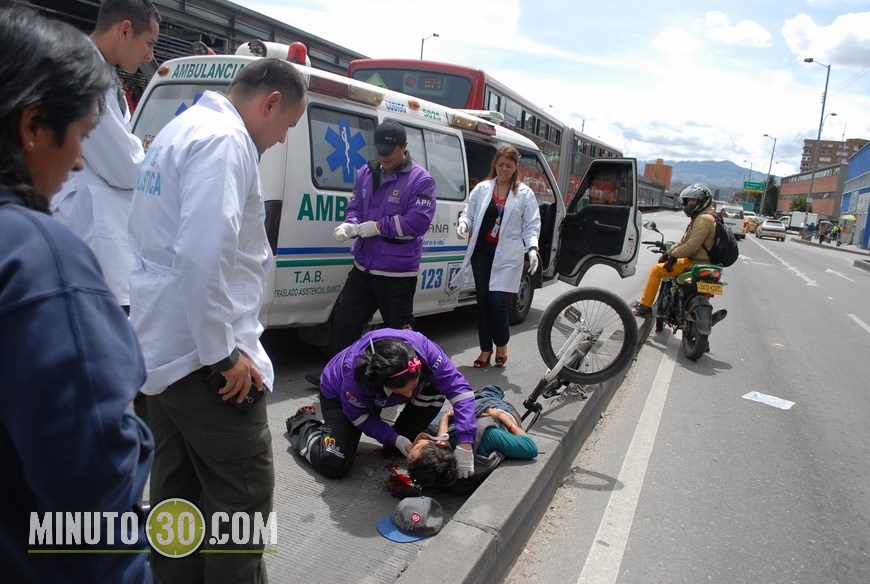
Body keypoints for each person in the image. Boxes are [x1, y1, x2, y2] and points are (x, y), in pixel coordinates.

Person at [128, 58, 307, 583]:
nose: (280, 140)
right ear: (270, 102)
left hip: (161, 349)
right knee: (241, 503)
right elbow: (202, 257)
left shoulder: (181, 128)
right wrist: (223, 356)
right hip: (203, 359)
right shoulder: (225, 142)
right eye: (287, 128)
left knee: (177, 496)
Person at [0, 7, 153, 582]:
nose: (82, 159)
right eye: (82, 135)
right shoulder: (43, 263)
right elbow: (93, 496)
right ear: (33, 126)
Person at [51, 0, 160, 311]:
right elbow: (124, 167)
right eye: (149, 43)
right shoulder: (83, 71)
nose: (150, 55)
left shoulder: (102, 74)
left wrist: (135, 149)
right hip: (87, 231)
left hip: (95, 233)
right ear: (125, 30)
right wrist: (146, 151)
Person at [310, 120, 436, 381]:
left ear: (404, 147)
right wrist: (351, 224)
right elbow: (356, 205)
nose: (383, 156)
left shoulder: (421, 180)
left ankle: (400, 383)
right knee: (344, 323)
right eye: (379, 150)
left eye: (389, 151)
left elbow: (419, 222)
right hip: (364, 266)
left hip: (396, 273)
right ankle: (336, 377)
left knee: (398, 335)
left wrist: (379, 227)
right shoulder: (366, 172)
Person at [288, 329, 478, 480]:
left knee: (435, 389)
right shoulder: (356, 376)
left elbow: (461, 392)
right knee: (334, 462)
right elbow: (359, 416)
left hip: (380, 394)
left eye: (413, 387)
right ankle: (303, 422)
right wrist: (395, 438)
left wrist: (466, 443)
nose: (410, 395)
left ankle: (401, 432)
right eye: (402, 392)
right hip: (338, 396)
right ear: (379, 382)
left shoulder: (426, 350)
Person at [451, 145, 541, 367]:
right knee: (482, 302)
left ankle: (501, 344)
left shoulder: (524, 194)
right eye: (500, 164)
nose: (504, 169)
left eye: (508, 166)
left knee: (498, 301)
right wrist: (464, 223)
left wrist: (532, 248)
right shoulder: (482, 189)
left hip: (507, 255)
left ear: (515, 167)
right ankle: (485, 350)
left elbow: (532, 225)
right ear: (495, 164)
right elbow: (469, 213)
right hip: (482, 252)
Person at [407, 385, 538, 491]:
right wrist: (500, 416)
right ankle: (491, 391)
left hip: (460, 424)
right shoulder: (486, 434)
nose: (413, 446)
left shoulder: (438, 473)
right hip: (490, 409)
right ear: (440, 446)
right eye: (418, 446)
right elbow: (530, 447)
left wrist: (445, 418)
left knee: (423, 424)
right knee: (490, 391)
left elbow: (442, 439)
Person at [633, 184, 716, 317]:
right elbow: (683, 241)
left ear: (702, 201)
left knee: (656, 270)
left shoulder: (703, 219)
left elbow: (691, 246)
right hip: (706, 262)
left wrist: (671, 254)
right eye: (688, 200)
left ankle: (645, 307)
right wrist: (670, 253)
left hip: (696, 263)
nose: (689, 204)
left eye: (693, 200)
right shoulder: (710, 216)